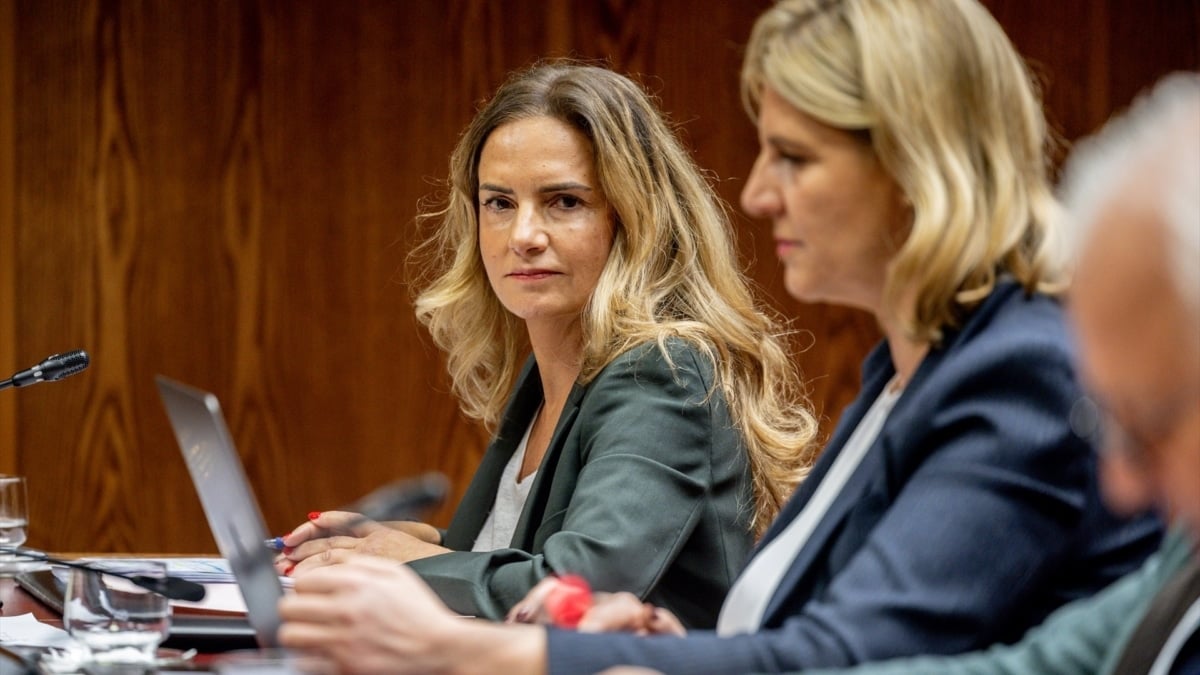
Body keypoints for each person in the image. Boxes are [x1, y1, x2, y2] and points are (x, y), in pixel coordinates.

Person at [273, 1, 1162, 672]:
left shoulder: (1016, 371)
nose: (758, 193)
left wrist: (475, 645)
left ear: (917, 164)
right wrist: (660, 642)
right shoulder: (906, 369)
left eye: (794, 157)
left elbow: (841, 657)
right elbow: (785, 628)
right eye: (497, 203)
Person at [271, 61, 820, 627]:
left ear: (635, 218)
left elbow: (574, 588)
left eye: (564, 202)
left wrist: (409, 565)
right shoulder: (549, 371)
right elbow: (527, 553)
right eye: (499, 203)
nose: (524, 236)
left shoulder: (663, 372)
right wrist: (406, 545)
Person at [795, 70, 1200, 675]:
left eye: (1150, 425)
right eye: (1111, 422)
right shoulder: (1186, 560)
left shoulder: (1016, 366)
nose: (1119, 484)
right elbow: (1038, 667)